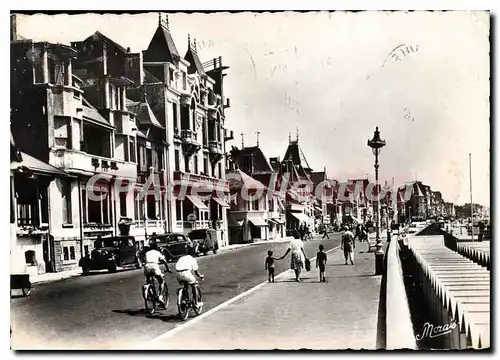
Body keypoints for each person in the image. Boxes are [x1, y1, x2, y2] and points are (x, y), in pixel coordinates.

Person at [143, 242, 171, 306]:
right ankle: (160, 296)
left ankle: (148, 290)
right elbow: (164, 261)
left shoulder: (147, 253)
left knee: (148, 279)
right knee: (161, 281)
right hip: (154, 266)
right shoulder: (157, 252)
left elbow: (145, 260)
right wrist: (167, 268)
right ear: (156, 247)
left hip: (147, 266)